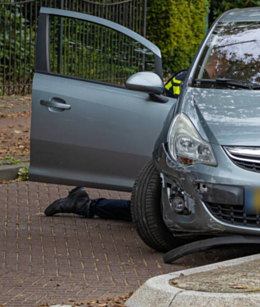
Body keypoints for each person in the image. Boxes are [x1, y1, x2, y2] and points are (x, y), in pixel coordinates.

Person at [44, 69, 186, 221]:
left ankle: (83, 204)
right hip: (177, 145)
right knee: (155, 211)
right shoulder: (186, 77)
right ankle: (86, 206)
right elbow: (163, 102)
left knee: (157, 210)